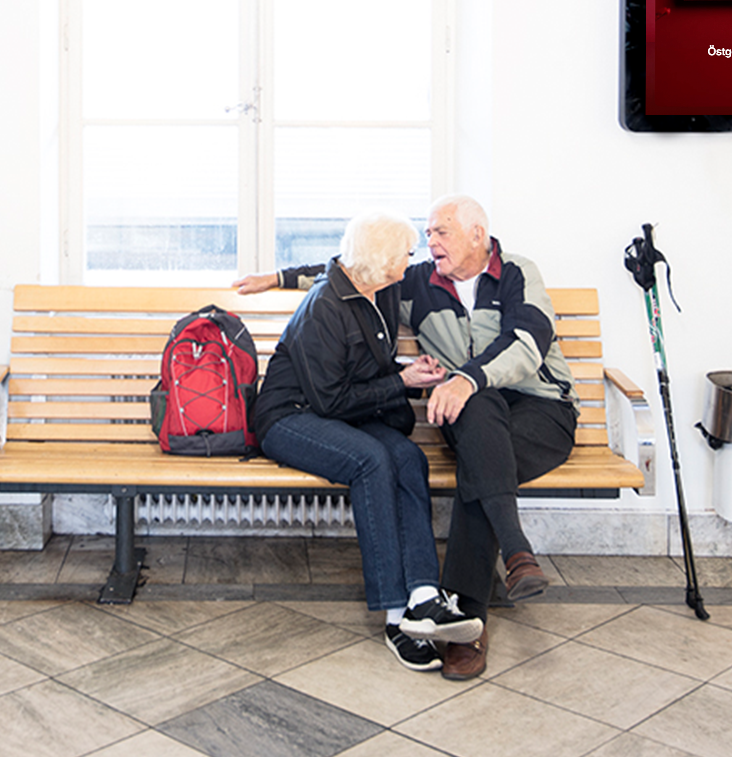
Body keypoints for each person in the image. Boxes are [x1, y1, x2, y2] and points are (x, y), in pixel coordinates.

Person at [236, 195, 578, 682]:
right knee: (443, 442)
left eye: (440, 232)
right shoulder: (412, 282)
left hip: (535, 407)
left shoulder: (516, 273)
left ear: (477, 234)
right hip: (377, 411)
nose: (428, 245)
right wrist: (278, 278)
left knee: (454, 462)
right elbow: (344, 272)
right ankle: (427, 609)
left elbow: (528, 342)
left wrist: (460, 378)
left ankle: (445, 603)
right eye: (424, 237)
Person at [246, 210, 482, 672]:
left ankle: (423, 594)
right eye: (404, 253)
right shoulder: (324, 309)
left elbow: (325, 267)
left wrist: (411, 373)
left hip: (347, 410)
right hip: (291, 417)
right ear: (379, 259)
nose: (411, 260)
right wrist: (405, 381)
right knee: (372, 460)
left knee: (407, 457)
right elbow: (330, 401)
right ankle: (397, 618)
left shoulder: (382, 284)